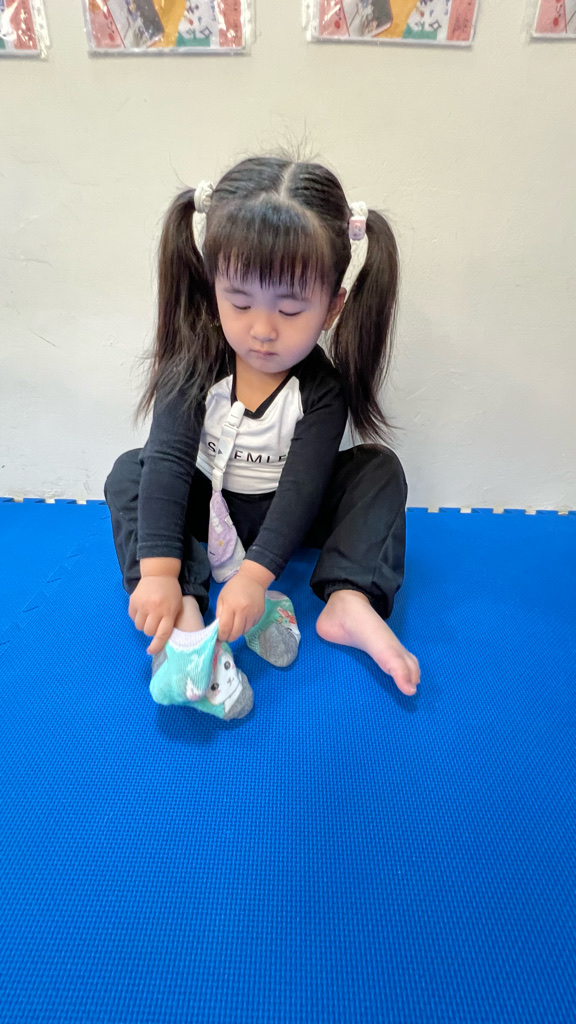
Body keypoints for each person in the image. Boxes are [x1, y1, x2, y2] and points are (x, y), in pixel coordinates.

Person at [104, 156, 420, 720]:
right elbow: (171, 461)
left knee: (378, 470)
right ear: (213, 288)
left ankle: (349, 599)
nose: (263, 330)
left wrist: (255, 577)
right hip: (208, 510)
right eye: (241, 302)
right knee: (133, 470)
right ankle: (185, 608)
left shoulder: (321, 389)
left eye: (291, 310)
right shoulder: (194, 365)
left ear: (333, 307)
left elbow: (304, 487)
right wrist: (158, 572)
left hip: (287, 515)